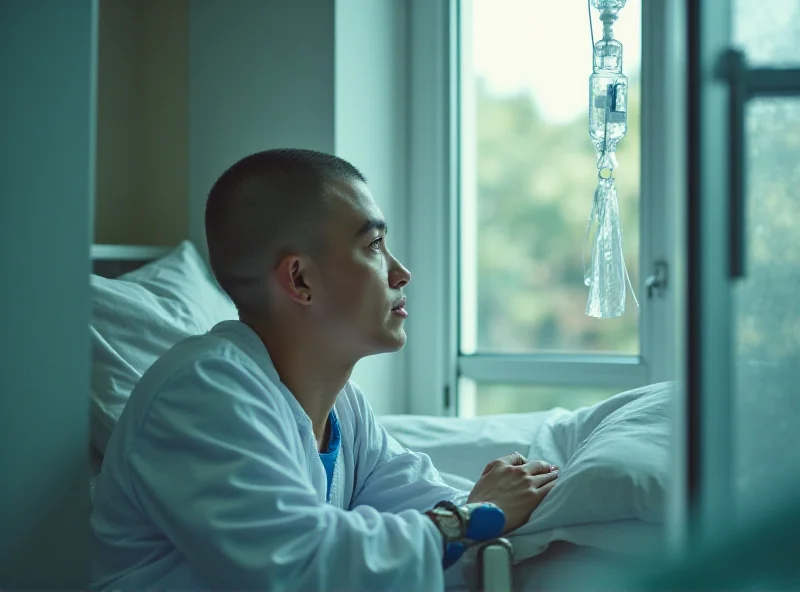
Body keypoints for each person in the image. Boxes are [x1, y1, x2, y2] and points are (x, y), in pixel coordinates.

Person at [89, 149, 559, 591]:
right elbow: (302, 566)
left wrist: (479, 513)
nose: (400, 272)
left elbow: (422, 506)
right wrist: (473, 516)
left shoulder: (344, 407)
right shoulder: (202, 393)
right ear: (300, 279)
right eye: (374, 245)